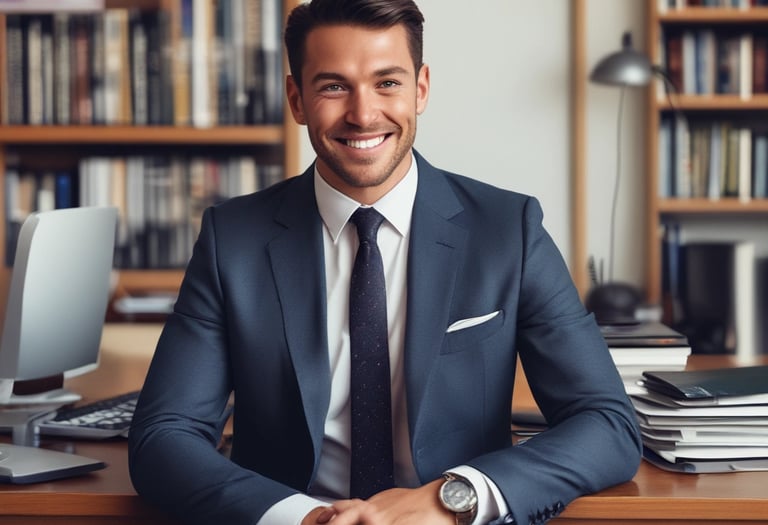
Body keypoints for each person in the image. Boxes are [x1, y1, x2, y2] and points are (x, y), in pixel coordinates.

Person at [128, 1, 642, 524]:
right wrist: (302, 518)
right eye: (333, 86)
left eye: (387, 83)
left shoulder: (509, 230)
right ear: (296, 98)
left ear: (420, 89)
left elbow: (606, 423)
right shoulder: (232, 239)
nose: (364, 114)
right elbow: (162, 437)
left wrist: (450, 499)